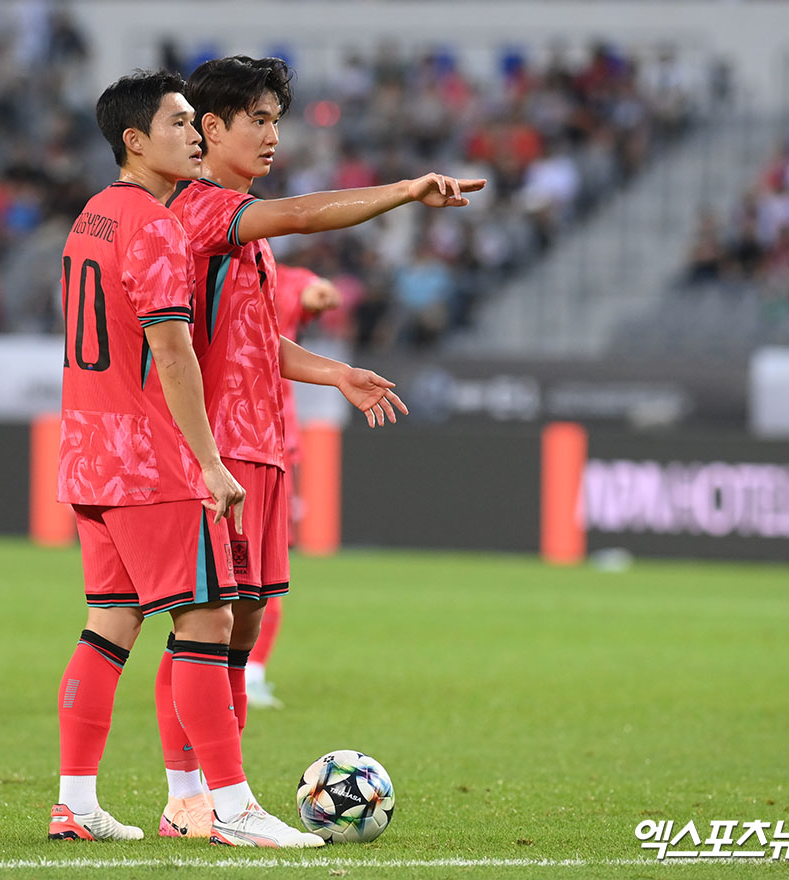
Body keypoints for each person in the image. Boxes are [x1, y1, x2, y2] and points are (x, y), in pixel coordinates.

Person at [156, 54, 484, 839]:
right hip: (221, 448)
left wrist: (336, 373)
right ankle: (196, 797)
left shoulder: (246, 233)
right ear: (211, 128)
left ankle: (205, 798)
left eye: (276, 119)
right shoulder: (204, 209)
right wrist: (404, 191)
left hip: (264, 444)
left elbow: (256, 343)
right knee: (204, 628)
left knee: (241, 627)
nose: (273, 134)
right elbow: (305, 215)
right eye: (257, 120)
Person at [48, 69, 321, 849]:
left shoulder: (90, 219)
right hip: (150, 463)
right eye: (178, 124)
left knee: (108, 627)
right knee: (206, 622)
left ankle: (74, 800)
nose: (193, 135)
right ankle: (227, 807)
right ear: (135, 141)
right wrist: (209, 461)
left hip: (87, 458)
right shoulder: (157, 225)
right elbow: (172, 351)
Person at [245, 264, 341, 710]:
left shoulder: (269, 272)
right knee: (247, 570)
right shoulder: (237, 268)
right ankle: (239, 673)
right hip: (247, 440)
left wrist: (319, 293)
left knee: (250, 570)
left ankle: (246, 672)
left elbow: (313, 290)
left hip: (247, 440)